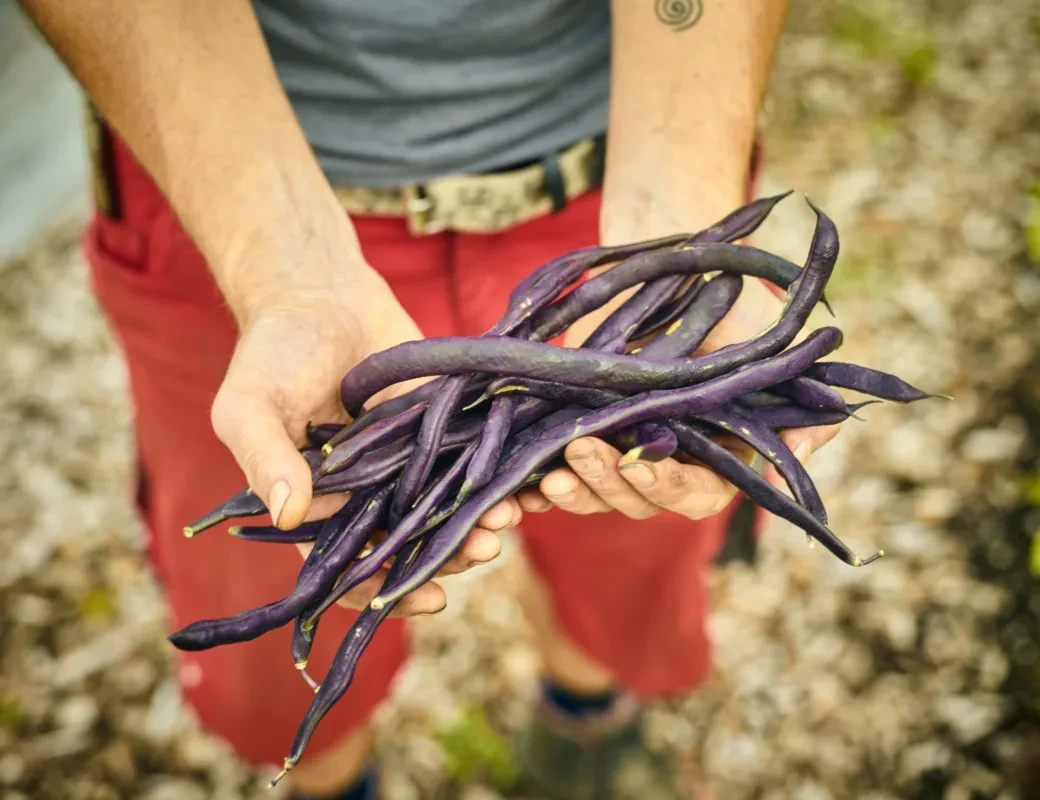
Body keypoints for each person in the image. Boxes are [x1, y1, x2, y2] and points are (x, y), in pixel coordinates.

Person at [19, 1, 838, 797]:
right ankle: (331, 781)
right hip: (231, 193)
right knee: (278, 568)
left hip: (634, 147)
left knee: (637, 528)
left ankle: (585, 718)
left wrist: (683, 221)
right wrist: (283, 266)